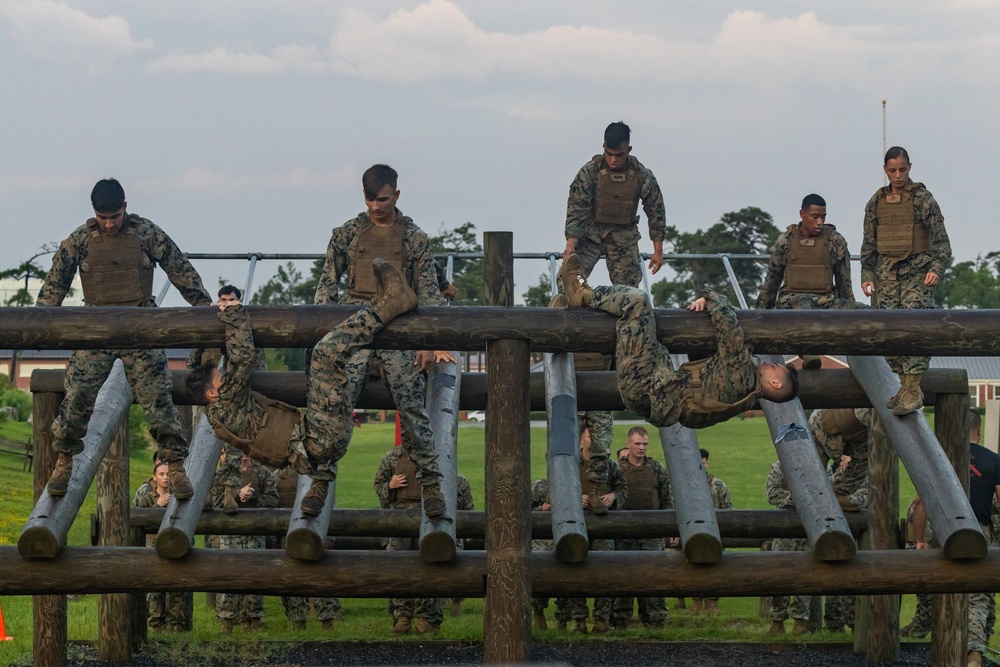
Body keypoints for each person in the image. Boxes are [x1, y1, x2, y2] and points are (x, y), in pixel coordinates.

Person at [185, 258, 427, 517]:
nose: (224, 375)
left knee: (312, 358)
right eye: (220, 377)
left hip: (318, 453)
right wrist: (234, 314)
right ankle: (390, 305)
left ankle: (320, 484)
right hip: (322, 434)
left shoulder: (218, 419)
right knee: (325, 353)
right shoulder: (228, 400)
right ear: (212, 393)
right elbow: (243, 356)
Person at [38, 178, 213, 499]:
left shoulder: (146, 233)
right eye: (102, 217)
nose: (108, 223)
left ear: (125, 208)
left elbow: (179, 267)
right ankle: (64, 460)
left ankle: (174, 466)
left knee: (158, 399)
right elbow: (55, 282)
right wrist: (40, 320)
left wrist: (203, 307)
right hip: (97, 330)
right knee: (77, 397)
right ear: (94, 212)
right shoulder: (80, 239)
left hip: (139, 330)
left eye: (114, 217)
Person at [313, 164, 451, 517]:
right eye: (370, 199)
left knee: (409, 395)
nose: (376, 206)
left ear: (397, 195)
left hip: (398, 330)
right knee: (339, 395)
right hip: (356, 330)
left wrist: (429, 342)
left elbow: (430, 294)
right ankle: (321, 477)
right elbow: (326, 290)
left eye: (383, 199)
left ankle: (431, 481)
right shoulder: (346, 234)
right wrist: (322, 337)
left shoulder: (414, 238)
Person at [560, 255, 799, 430]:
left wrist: (710, 296)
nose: (770, 364)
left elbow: (729, 329)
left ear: (775, 383)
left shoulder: (742, 375)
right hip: (651, 389)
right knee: (645, 334)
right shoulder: (743, 395)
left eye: (775, 368)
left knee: (637, 302)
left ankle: (581, 293)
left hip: (645, 384)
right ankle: (565, 311)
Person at [860, 146, 952, 416]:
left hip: (917, 274)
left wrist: (936, 268)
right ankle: (905, 384)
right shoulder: (875, 203)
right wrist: (867, 274)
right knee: (888, 332)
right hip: (886, 276)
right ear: (885, 170)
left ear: (910, 167)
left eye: (902, 169)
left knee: (916, 329)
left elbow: (942, 242)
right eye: (892, 170)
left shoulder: (923, 199)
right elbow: (868, 244)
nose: (897, 175)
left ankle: (913, 388)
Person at [915, 410, 1000, 667]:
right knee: (979, 594)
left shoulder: (942, 460)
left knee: (946, 590)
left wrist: (920, 539)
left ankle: (949, 646)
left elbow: (921, 503)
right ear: (979, 428)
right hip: (980, 532)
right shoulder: (993, 460)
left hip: (944, 532)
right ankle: (974, 652)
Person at [755, 193, 864, 369]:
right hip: (792, 301)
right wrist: (759, 316)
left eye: (823, 217)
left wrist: (851, 313)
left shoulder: (835, 241)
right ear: (802, 214)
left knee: (865, 312)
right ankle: (807, 351)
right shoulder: (785, 242)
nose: (820, 221)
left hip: (826, 302)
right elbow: (771, 282)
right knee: (803, 301)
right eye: (815, 217)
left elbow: (844, 283)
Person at [563, 121, 667, 287]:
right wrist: (570, 246)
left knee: (628, 292)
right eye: (608, 153)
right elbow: (577, 210)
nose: (613, 160)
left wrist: (658, 251)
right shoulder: (589, 173)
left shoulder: (642, 175)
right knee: (568, 283)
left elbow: (656, 211)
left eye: (619, 155)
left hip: (623, 237)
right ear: (603, 147)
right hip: (591, 235)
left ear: (629, 150)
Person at [375, 445, 464, 635]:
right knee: (400, 570)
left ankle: (427, 618)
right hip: (399, 521)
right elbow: (378, 487)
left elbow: (451, 486)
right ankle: (402, 617)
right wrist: (389, 487)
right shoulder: (392, 457)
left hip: (430, 519)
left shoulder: (436, 456)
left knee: (431, 568)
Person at [564, 428, 628, 634]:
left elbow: (622, 488)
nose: (594, 439)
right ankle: (579, 621)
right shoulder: (570, 464)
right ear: (581, 438)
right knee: (575, 572)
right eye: (590, 435)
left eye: (596, 436)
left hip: (603, 527)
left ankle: (601, 621)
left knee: (604, 572)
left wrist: (613, 497)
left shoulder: (610, 465)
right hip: (575, 525)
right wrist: (575, 498)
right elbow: (556, 489)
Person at [209, 452, 278, 633]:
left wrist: (253, 498)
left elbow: (273, 500)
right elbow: (213, 501)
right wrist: (236, 495)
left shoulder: (263, 473)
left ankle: (253, 621)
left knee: (254, 577)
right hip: (228, 534)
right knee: (227, 578)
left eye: (246, 451)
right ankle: (227, 622)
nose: (243, 455)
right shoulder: (222, 474)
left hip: (254, 534)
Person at [611, 426, 672, 630]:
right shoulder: (616, 469)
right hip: (623, 534)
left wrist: (669, 529)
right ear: (628, 444)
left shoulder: (656, 468)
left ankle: (655, 620)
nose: (641, 448)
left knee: (653, 577)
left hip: (652, 535)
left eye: (645, 444)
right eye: (637, 443)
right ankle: (620, 620)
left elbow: (667, 501)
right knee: (622, 578)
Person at [273, 467, 342, 630]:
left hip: (316, 529)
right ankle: (298, 621)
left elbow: (330, 504)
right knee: (292, 578)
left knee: (322, 578)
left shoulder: (319, 470)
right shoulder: (278, 475)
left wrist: (329, 536)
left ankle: (327, 620)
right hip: (288, 532)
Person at [134, 461, 193, 632]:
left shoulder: (180, 491)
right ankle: (156, 624)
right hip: (153, 544)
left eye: (168, 474)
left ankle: (176, 624)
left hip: (176, 542)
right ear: (155, 477)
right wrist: (157, 507)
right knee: (155, 588)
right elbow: (137, 519)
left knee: (176, 585)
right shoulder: (144, 494)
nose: (165, 477)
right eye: (161, 474)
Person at [765, 460, 811, 634]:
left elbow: (825, 491)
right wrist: (798, 497)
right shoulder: (779, 466)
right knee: (779, 576)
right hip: (784, 530)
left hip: (809, 531)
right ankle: (777, 622)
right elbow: (772, 494)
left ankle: (800, 622)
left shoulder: (820, 465)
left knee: (806, 577)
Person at [689, 448, 732, 615]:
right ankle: (696, 602)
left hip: (716, 534)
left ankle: (712, 603)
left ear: (707, 463)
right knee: (694, 567)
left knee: (716, 568)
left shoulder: (718, 485)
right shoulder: (686, 487)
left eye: (703, 462)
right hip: (693, 534)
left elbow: (728, 509)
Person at [899, 496, 933, 639]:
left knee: (927, 597)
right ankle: (915, 633)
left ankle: (912, 630)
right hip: (922, 546)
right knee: (930, 597)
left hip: (918, 543)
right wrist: (920, 541)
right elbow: (921, 503)